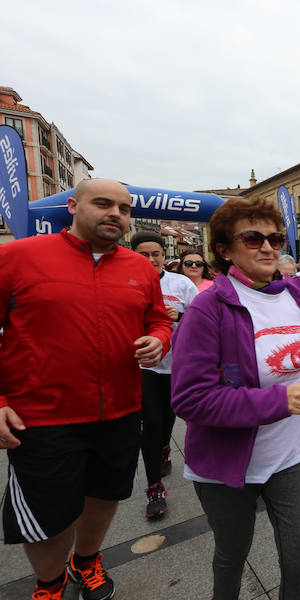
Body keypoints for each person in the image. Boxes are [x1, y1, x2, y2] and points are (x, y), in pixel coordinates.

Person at [0, 178, 172, 600]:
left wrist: (159, 339)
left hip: (120, 410)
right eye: (103, 203)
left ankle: (87, 560)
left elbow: (159, 320)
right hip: (42, 416)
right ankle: (49, 584)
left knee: (104, 496)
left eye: (124, 209)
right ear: (73, 206)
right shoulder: (16, 256)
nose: (116, 213)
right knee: (48, 515)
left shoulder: (139, 268)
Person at [171, 196, 300, 600]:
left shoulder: (296, 296)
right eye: (252, 238)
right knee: (232, 553)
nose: (268, 247)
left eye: (276, 238)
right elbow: (190, 399)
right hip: (226, 462)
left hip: (291, 453)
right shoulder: (207, 309)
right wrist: (277, 402)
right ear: (225, 250)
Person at [132, 231, 198, 520]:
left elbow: (201, 320)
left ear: (163, 255)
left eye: (155, 254)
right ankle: (154, 487)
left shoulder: (181, 283)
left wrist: (180, 317)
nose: (150, 259)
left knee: (168, 417)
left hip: (177, 364)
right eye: (143, 254)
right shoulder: (126, 283)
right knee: (152, 422)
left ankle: (163, 449)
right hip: (144, 366)